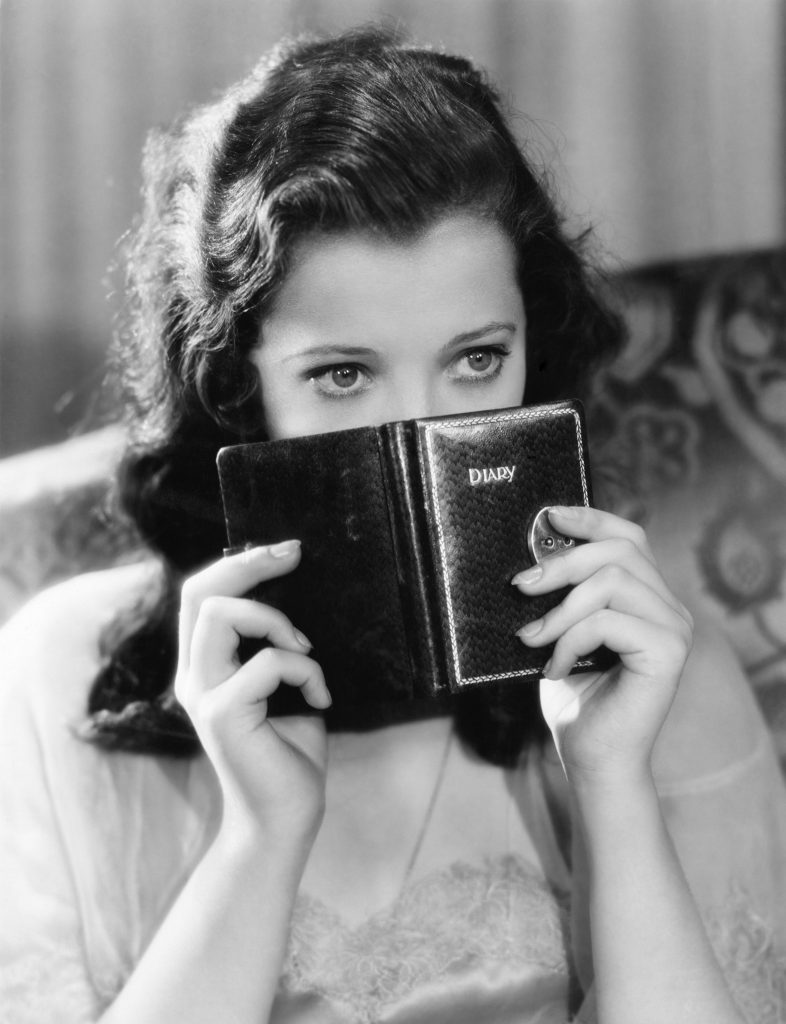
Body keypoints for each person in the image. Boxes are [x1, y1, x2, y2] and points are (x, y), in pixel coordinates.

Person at [1, 25, 785, 1024]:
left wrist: (612, 783)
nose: (422, 437)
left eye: (475, 360)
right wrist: (259, 839)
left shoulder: (649, 670)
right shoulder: (48, 681)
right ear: (239, 385)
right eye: (342, 374)